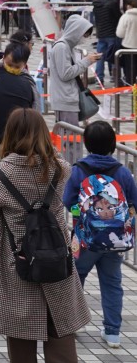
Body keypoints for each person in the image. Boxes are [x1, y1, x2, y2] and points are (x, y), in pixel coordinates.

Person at [0, 109, 89, 363]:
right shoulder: (60, 168)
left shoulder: (0, 175)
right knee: (61, 332)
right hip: (56, 258)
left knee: (20, 347)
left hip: (18, 264)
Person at [62, 120, 137, 349]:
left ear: (86, 143)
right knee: (112, 282)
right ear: (113, 145)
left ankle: (75, 324)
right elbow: (133, 201)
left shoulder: (79, 170)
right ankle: (112, 332)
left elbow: (67, 200)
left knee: (77, 279)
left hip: (83, 238)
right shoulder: (121, 172)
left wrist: (81, 216)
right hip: (115, 240)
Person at [47, 15, 100, 130]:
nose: (84, 38)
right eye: (84, 34)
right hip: (65, 100)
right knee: (70, 140)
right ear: (76, 31)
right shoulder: (61, 47)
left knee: (70, 139)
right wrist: (86, 61)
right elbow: (66, 74)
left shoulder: (67, 47)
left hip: (67, 98)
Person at [116, 0, 137, 85]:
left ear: (128, 6)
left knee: (130, 68)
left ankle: (131, 86)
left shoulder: (125, 17)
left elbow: (119, 34)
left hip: (128, 46)